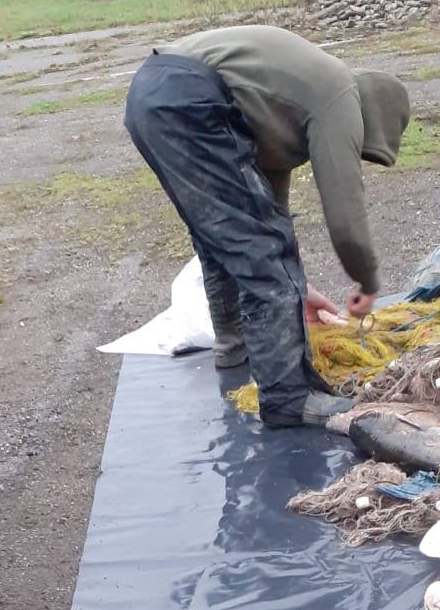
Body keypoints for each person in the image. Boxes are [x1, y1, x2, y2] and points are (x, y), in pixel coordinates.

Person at [124, 24, 411, 430]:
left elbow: (264, 214)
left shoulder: (290, 99)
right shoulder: (340, 96)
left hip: (152, 94)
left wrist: (299, 291)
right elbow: (344, 217)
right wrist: (367, 281)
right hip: (190, 97)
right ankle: (288, 398)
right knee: (259, 246)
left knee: (224, 235)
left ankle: (233, 345)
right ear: (372, 119)